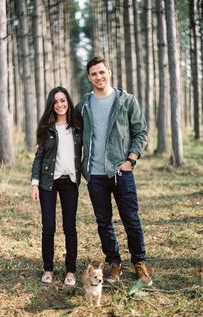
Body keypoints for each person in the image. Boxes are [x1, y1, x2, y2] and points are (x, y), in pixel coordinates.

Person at [75, 56, 152, 285]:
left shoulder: (126, 101)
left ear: (109, 72)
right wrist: (45, 141)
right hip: (95, 174)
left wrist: (131, 159)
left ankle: (138, 262)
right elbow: (68, 128)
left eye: (102, 72)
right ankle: (114, 263)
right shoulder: (84, 105)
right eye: (93, 74)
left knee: (131, 219)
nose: (98, 77)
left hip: (121, 171)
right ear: (89, 77)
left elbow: (141, 132)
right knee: (103, 221)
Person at [31, 86, 82, 286]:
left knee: (70, 227)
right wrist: (34, 184)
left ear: (68, 102)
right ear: (51, 105)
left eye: (63, 100)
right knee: (48, 227)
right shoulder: (46, 128)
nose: (59, 105)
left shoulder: (78, 126)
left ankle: (71, 270)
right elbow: (38, 157)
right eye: (55, 102)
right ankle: (48, 268)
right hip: (47, 182)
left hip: (70, 182)